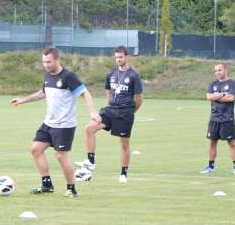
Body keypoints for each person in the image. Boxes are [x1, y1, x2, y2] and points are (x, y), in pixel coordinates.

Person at [10, 46, 100, 198]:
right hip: (49, 123)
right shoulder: (47, 75)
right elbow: (43, 93)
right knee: (36, 149)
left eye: (49, 62)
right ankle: (47, 185)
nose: (46, 65)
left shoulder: (68, 76)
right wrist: (23, 100)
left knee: (60, 156)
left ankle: (71, 189)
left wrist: (92, 112)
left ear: (57, 60)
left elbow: (85, 93)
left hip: (64, 125)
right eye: (44, 62)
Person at [75, 45, 143, 183]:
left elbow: (139, 98)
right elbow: (108, 91)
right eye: (116, 57)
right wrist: (111, 103)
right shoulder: (111, 74)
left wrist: (131, 111)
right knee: (89, 128)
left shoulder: (133, 76)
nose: (118, 59)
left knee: (124, 144)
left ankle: (123, 173)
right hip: (110, 109)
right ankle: (90, 161)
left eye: (121, 57)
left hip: (125, 112)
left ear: (126, 57)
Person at [200, 63, 235, 176]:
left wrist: (217, 96)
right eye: (216, 71)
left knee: (232, 143)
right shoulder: (213, 84)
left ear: (225, 70)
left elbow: (231, 98)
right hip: (214, 118)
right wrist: (223, 95)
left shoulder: (232, 83)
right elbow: (208, 97)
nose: (217, 72)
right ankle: (210, 166)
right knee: (212, 143)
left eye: (219, 70)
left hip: (227, 119)